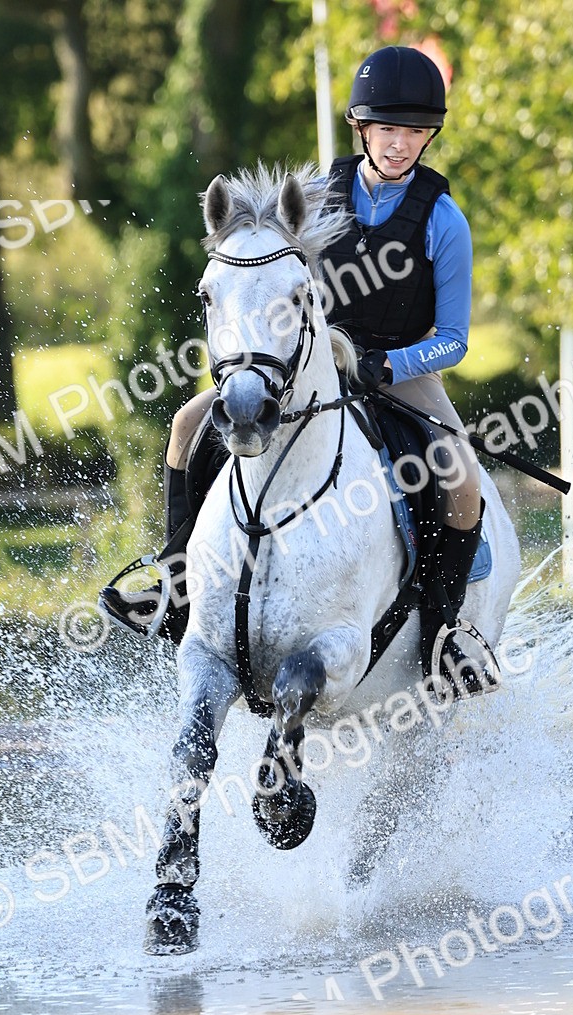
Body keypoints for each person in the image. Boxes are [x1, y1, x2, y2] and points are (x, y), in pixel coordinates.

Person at [100, 44, 485, 697]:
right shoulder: (310, 195)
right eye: (387, 130)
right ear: (362, 128)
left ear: (429, 135)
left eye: (415, 132)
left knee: (461, 474)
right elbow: (254, 269)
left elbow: (452, 339)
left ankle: (448, 634)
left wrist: (384, 362)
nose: (400, 145)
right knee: (189, 422)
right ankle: (176, 583)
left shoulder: (443, 219)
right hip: (301, 361)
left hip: (399, 365)